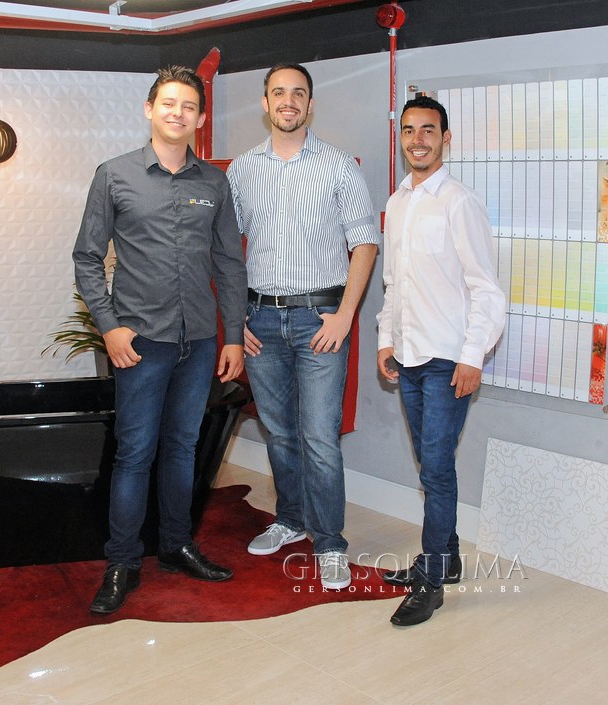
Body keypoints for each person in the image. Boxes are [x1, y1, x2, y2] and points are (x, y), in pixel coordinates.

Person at [73, 65, 247, 615]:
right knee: (134, 453)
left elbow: (230, 263)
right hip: (140, 342)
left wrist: (233, 336)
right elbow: (86, 257)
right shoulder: (114, 175)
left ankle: (175, 545)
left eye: (189, 106)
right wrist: (109, 325)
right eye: (169, 103)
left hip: (199, 341)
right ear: (150, 109)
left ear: (200, 118)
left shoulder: (214, 183)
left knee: (182, 449)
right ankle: (123, 562)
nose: (178, 113)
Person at [227, 62, 379, 590]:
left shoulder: (338, 165)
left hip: (321, 321)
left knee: (319, 437)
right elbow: (226, 251)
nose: (288, 101)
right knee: (279, 432)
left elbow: (365, 243)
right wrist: (235, 319)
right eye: (278, 93)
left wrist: (346, 315)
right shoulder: (242, 170)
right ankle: (290, 520)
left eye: (298, 93)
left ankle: (330, 542)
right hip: (260, 321)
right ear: (265, 104)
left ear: (310, 105)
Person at [376, 96, 506, 626]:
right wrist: (385, 339)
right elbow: (394, 284)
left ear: (445, 138)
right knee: (431, 464)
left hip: (448, 360)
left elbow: (486, 290)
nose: (418, 140)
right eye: (409, 130)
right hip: (408, 356)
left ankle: (430, 581)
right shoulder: (398, 202)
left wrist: (473, 356)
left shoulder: (459, 202)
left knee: (436, 467)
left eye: (428, 130)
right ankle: (446, 559)